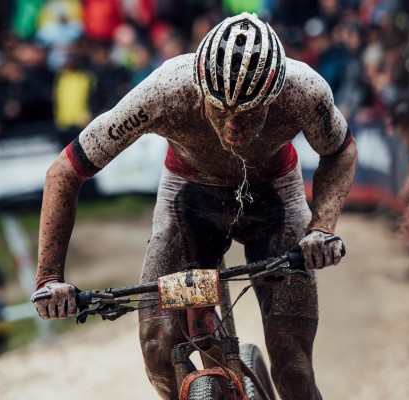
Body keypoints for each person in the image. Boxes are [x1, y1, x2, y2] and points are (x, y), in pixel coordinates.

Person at [30, 12, 357, 400]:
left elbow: (341, 152)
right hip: (189, 200)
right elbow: (65, 171)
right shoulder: (166, 90)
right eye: (219, 110)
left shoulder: (304, 90)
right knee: (158, 348)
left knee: (294, 370)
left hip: (274, 197)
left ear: (275, 96)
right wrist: (48, 277)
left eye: (249, 115)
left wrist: (321, 227)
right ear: (199, 89)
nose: (233, 129)